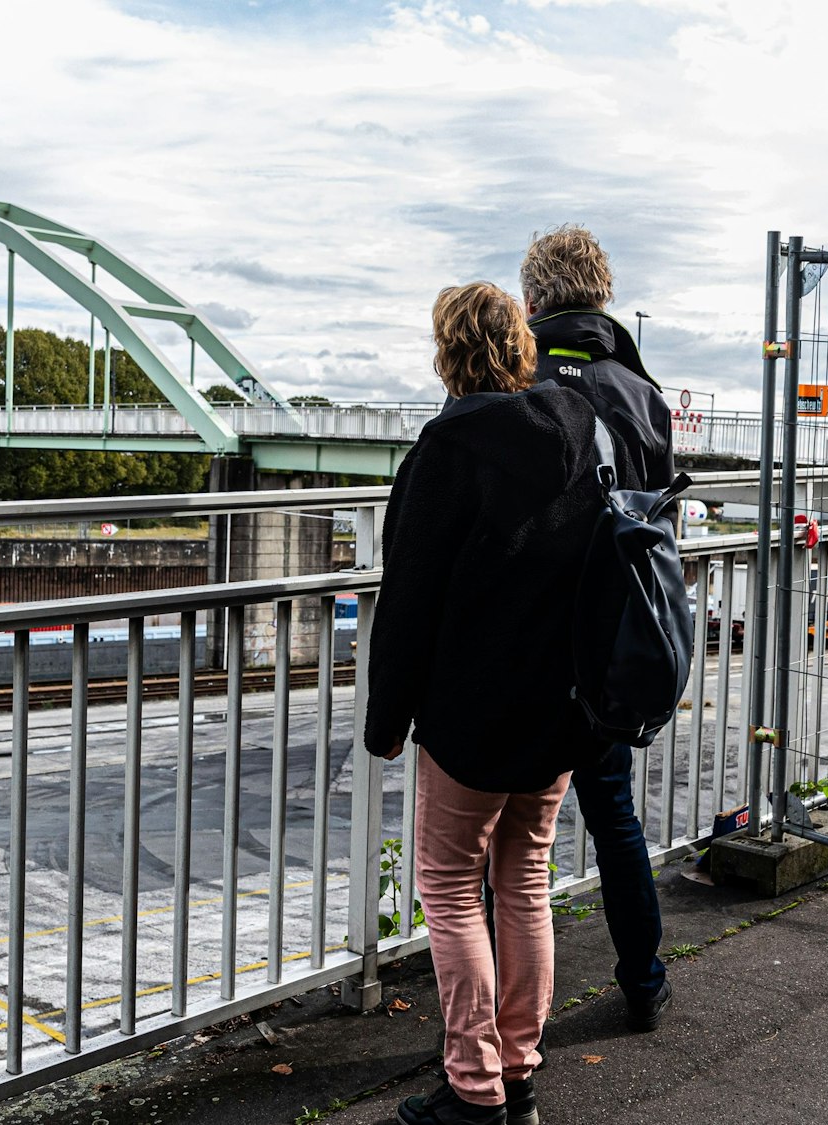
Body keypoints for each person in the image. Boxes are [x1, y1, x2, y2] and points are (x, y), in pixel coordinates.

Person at [365, 281, 607, 1125]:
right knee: (524, 879)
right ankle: (518, 1070)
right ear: (520, 348)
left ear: (448, 353)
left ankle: (472, 1088)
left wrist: (385, 721)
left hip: (469, 717)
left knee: (450, 886)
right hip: (556, 711)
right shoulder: (579, 434)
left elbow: (408, 601)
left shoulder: (446, 450)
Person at [520, 224, 677, 1033]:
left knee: (510, 844)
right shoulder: (640, 389)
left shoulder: (519, 373)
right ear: (602, 295)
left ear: (535, 298)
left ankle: (502, 1026)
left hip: (528, 642)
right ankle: (644, 981)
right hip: (611, 639)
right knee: (613, 814)